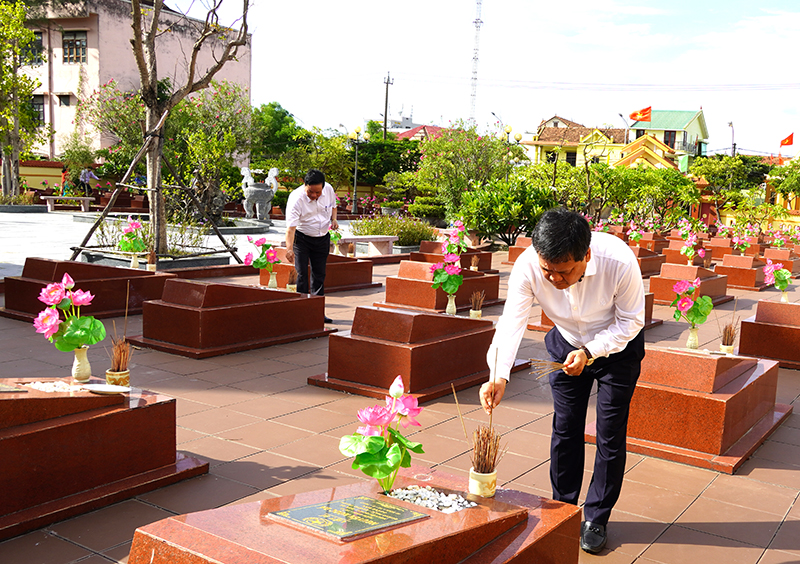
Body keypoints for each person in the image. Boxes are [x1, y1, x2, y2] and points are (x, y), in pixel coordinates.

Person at [479, 208, 645, 554]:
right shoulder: (528, 266)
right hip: (566, 341)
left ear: (586, 255)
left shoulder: (619, 261)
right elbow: (512, 321)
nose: (554, 279)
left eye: (565, 271)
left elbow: (631, 322)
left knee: (609, 433)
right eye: (547, 271)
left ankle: (597, 516)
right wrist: (498, 375)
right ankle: (564, 509)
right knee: (566, 427)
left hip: (618, 348)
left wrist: (591, 352)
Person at [284, 169, 338, 323]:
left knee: (319, 275)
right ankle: (301, 311)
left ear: (323, 187)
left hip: (322, 237)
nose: (314, 195)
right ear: (304, 185)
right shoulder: (296, 198)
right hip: (302, 239)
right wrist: (289, 249)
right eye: (310, 192)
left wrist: (334, 219)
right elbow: (290, 229)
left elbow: (333, 206)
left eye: (318, 192)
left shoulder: (328, 189)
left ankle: (317, 312)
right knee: (301, 274)